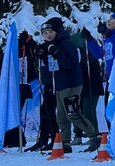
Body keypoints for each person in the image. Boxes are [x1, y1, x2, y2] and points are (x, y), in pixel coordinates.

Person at [35, 18, 100, 153]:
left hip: (71, 83)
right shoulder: (51, 45)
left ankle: (94, 136)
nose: (48, 35)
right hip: (60, 85)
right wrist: (43, 55)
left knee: (72, 113)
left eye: (51, 32)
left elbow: (69, 63)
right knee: (61, 116)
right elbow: (52, 67)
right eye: (45, 33)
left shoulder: (66, 43)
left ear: (57, 31)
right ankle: (65, 142)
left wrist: (56, 52)